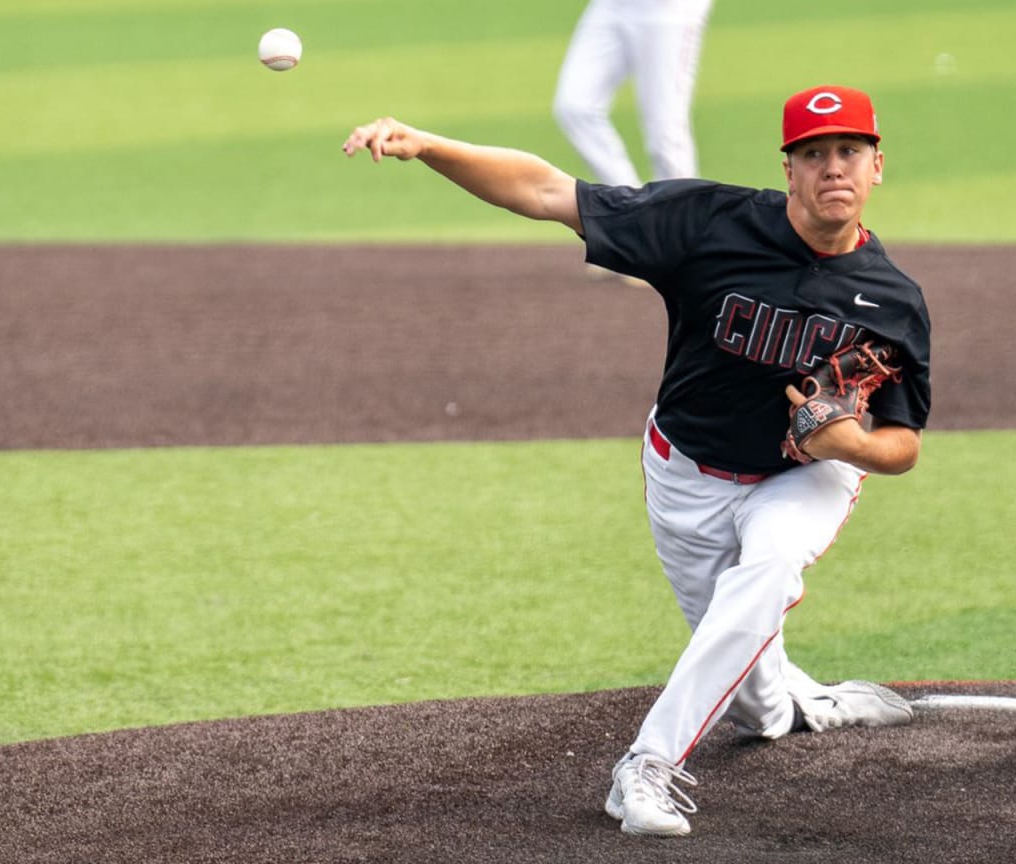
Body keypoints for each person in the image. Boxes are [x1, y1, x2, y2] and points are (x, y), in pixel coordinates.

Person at [342, 84, 932, 838]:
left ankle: (646, 767)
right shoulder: (706, 224)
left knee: (769, 573)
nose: (832, 169)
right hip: (687, 474)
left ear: (878, 165)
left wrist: (850, 446)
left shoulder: (894, 299)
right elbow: (550, 191)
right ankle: (800, 701)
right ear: (788, 169)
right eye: (813, 155)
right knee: (753, 703)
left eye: (849, 151)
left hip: (804, 473)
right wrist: (428, 146)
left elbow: (902, 444)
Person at [552, 0, 714, 188]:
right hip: (610, 6)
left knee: (666, 135)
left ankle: (684, 213)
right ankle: (631, 204)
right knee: (574, 108)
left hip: (668, 9)